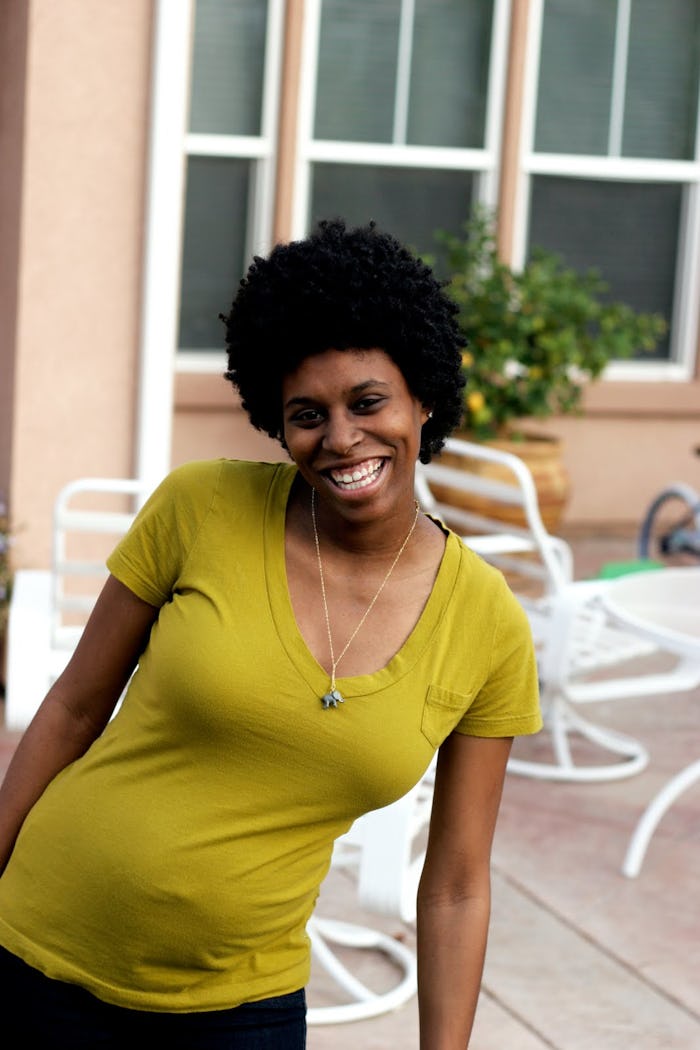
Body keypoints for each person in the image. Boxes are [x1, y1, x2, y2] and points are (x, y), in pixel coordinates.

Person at [0, 218, 541, 1048]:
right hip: (36, 952)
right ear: (274, 421)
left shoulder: (488, 624)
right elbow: (74, 708)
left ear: (423, 398)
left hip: (241, 1008)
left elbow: (458, 884)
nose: (341, 437)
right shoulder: (201, 505)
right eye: (306, 414)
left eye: (368, 402)